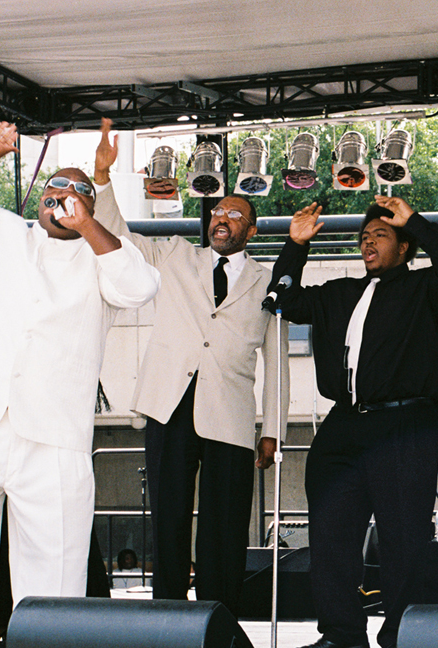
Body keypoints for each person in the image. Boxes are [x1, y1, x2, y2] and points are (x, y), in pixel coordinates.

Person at [0, 122, 160, 648]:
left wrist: (88, 225)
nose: (64, 194)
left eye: (77, 189)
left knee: (54, 585)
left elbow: (140, 287)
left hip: (54, 439)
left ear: (91, 205)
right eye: (55, 186)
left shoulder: (104, 257)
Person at [91, 119, 289, 616]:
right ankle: (168, 621)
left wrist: (273, 430)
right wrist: (102, 180)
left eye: (234, 213)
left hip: (231, 417)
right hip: (169, 406)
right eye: (218, 211)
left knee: (226, 527)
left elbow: (278, 363)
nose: (222, 218)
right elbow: (119, 239)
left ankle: (219, 620)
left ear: (252, 229)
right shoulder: (176, 254)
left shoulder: (268, 280)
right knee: (169, 520)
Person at [271, 195, 438, 648]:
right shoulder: (339, 292)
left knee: (403, 538)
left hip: (404, 423)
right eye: (364, 236)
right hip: (343, 424)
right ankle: (341, 634)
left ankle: (400, 634)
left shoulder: (425, 290)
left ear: (403, 247)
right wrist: (296, 245)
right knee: (331, 534)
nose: (368, 242)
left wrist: (414, 221)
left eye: (380, 235)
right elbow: (285, 299)